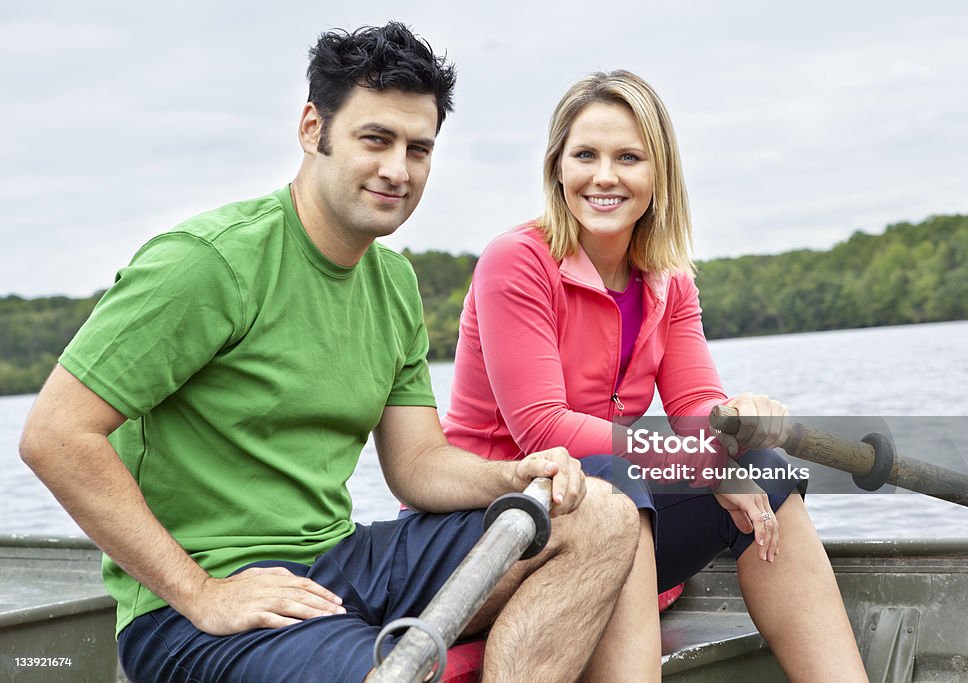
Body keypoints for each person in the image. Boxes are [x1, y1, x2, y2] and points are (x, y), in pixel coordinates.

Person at [18, 25, 651, 683]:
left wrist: (511, 475)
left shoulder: (394, 281)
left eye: (419, 148)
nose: (397, 169)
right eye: (374, 139)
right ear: (312, 128)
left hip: (336, 565)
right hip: (193, 613)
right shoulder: (207, 263)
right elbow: (56, 435)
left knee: (600, 513)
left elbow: (417, 464)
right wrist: (203, 591)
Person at [442, 70, 870, 682]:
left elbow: (696, 401)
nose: (605, 176)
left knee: (767, 472)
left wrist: (735, 428)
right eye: (585, 155)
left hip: (611, 501)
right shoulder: (517, 260)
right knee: (625, 486)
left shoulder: (668, 279)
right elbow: (543, 430)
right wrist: (699, 463)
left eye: (628, 157)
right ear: (556, 167)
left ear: (658, 172)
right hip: (496, 526)